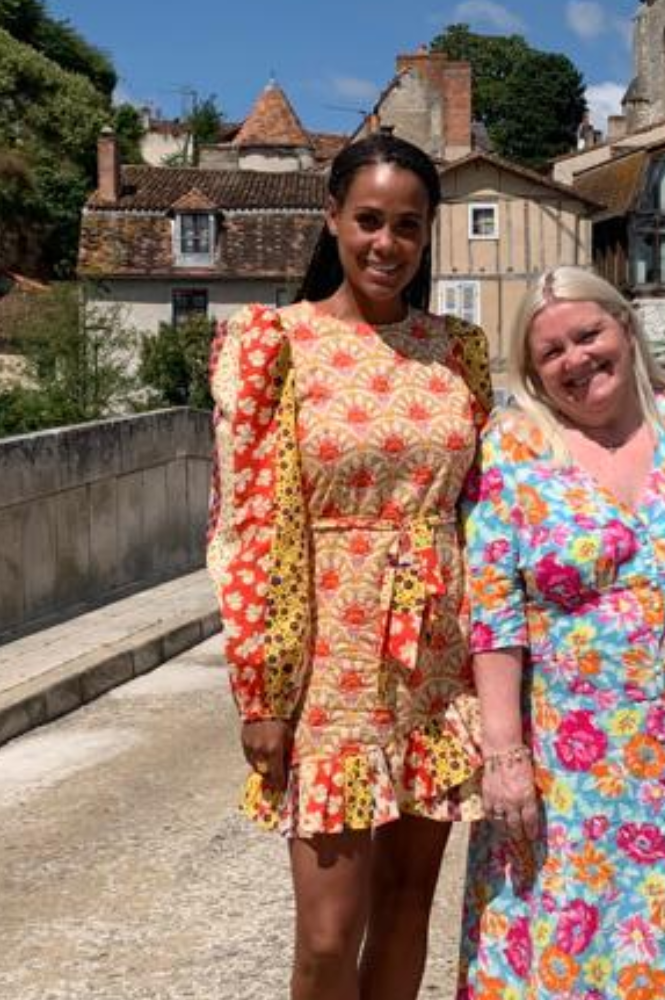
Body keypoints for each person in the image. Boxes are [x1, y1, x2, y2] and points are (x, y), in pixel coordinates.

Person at [205, 133, 490, 1000]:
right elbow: (249, 520)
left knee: (406, 907)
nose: (386, 244)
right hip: (327, 661)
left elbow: (482, 506)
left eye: (408, 225)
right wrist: (263, 692)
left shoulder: (457, 348)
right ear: (331, 218)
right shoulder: (273, 342)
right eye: (368, 220)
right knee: (330, 935)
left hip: (435, 657)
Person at [457, 266, 665, 1000]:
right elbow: (493, 615)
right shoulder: (513, 448)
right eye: (550, 352)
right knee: (568, 950)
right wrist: (503, 756)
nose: (575, 359)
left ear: (626, 325)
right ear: (533, 371)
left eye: (588, 334)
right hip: (568, 769)